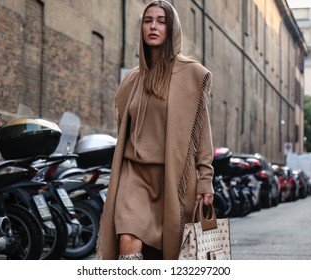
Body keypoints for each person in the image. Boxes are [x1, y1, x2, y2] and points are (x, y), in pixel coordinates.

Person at [96, 0, 215, 260]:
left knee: (169, 252)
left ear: (172, 29)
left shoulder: (191, 74)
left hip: (173, 177)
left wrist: (205, 178)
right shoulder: (131, 81)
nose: (153, 26)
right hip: (134, 175)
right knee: (127, 237)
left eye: (162, 21)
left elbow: (202, 132)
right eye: (148, 20)